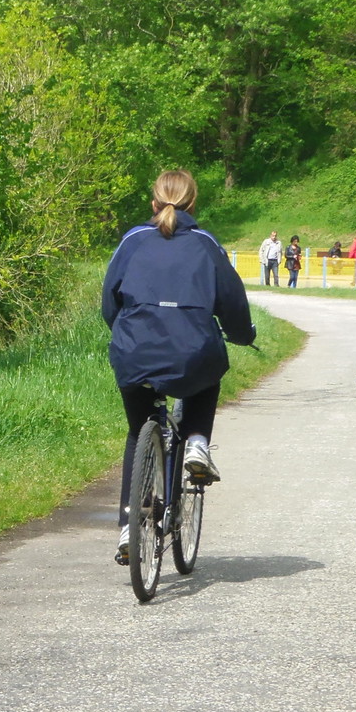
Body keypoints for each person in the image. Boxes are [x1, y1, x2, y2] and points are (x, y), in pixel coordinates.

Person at [102, 169, 255, 564]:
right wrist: (242, 335)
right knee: (207, 370)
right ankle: (198, 443)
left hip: (135, 350)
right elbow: (233, 304)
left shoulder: (132, 240)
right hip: (192, 351)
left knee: (139, 433)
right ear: (193, 203)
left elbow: (109, 303)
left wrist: (125, 332)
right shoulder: (206, 244)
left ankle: (126, 527)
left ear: (153, 204)